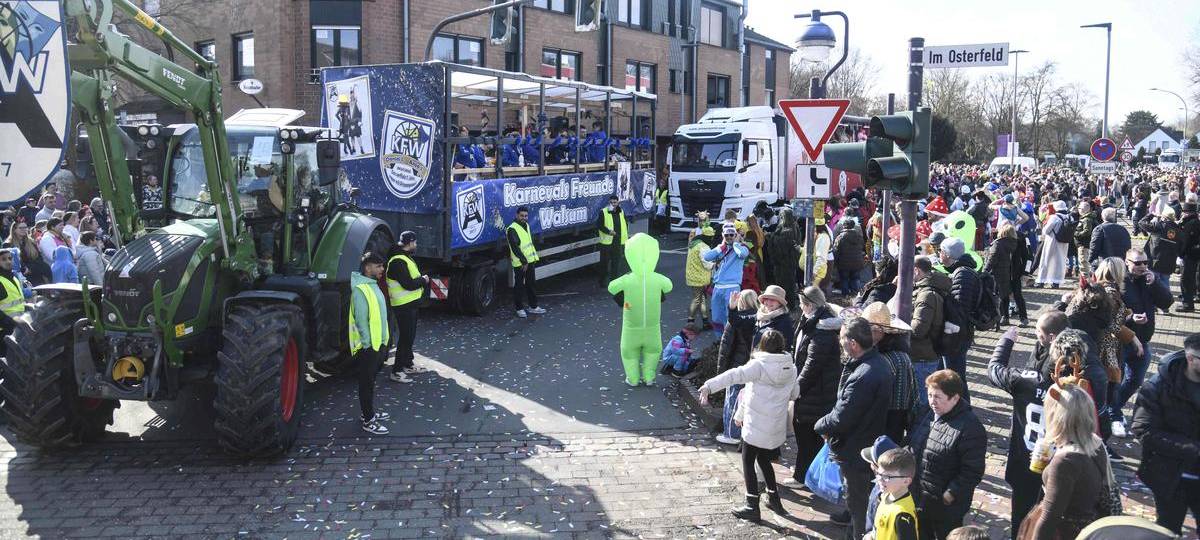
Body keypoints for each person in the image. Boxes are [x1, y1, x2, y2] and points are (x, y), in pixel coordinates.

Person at [699, 329, 799, 521]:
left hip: (755, 426)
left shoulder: (758, 365)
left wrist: (709, 385)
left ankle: (752, 505)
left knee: (747, 461)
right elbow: (794, 394)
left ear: (762, 345)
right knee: (763, 460)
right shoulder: (791, 368)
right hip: (773, 427)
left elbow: (734, 375)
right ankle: (774, 498)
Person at [988, 312, 1071, 539]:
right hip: (1058, 461)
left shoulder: (1024, 380)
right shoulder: (1075, 381)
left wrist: (1005, 342)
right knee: (1050, 517)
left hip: (1026, 457)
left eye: (1039, 334)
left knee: (1022, 518)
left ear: (1052, 338)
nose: (1037, 337)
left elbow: (994, 369)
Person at [816, 316, 895, 538]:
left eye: (841, 339)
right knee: (859, 498)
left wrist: (820, 425)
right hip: (865, 438)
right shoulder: (877, 364)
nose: (839, 343)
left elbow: (843, 416)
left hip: (855, 446)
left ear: (852, 343)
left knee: (858, 502)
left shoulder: (864, 374)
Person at [1130, 333, 1200, 536]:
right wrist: (1192, 448)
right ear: (1191, 359)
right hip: (1170, 477)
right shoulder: (1158, 386)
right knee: (1167, 530)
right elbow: (1143, 430)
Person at [906, 370, 987, 540]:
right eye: (929, 395)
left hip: (945, 507)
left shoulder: (970, 428)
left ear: (955, 398)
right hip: (920, 497)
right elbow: (914, 443)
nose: (931, 401)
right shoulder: (926, 413)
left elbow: (972, 471)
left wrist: (951, 494)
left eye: (937, 397)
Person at [1023, 383, 1110, 540]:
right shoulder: (1095, 442)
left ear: (1056, 416)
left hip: (1065, 533)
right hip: (1088, 527)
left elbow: (1049, 519)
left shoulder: (1065, 462)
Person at [1109, 248, 1173, 439]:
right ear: (1127, 262)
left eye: (1146, 262)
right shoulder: (1119, 282)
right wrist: (1131, 321)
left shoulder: (1149, 280)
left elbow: (1167, 302)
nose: (1143, 266)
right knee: (1115, 382)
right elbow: (1110, 317)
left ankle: (1115, 409)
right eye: (1138, 263)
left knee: (1135, 381)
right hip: (1121, 341)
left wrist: (1156, 284)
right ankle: (1114, 416)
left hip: (1143, 341)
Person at [790, 286, 842, 483]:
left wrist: (797, 389)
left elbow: (813, 364)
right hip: (813, 391)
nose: (801, 308)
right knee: (806, 437)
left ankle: (805, 477)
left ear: (810, 305)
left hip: (817, 393)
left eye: (802, 304)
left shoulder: (822, 329)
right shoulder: (812, 321)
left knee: (807, 436)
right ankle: (804, 475)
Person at [607, 233, 673, 387]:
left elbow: (611, 287)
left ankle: (633, 378)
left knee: (629, 354)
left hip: (631, 329)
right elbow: (669, 286)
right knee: (653, 351)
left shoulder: (627, 279)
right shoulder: (658, 279)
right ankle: (649, 377)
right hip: (652, 328)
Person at [350, 252, 392, 434]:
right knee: (366, 384)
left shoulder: (372, 286)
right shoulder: (361, 289)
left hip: (377, 344)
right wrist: (368, 345)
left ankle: (369, 413)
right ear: (368, 268)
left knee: (370, 381)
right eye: (379, 266)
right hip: (369, 347)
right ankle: (368, 420)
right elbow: (361, 320)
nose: (382, 269)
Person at [715, 290, 759, 445]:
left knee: (733, 400)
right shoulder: (761, 319)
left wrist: (721, 372)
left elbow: (725, 347)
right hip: (755, 367)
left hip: (737, 366)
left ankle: (731, 434)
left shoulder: (735, 321)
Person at [385, 231, 429, 384]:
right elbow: (408, 284)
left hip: (410, 305)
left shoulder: (404, 258)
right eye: (415, 243)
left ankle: (408, 364)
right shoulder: (398, 261)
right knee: (405, 338)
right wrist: (423, 280)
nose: (416, 246)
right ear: (410, 243)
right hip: (403, 306)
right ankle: (396, 371)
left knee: (409, 337)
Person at [939, 238, 979, 396]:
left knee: (955, 378)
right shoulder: (961, 271)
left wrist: (948, 337)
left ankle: (962, 409)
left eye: (941, 251)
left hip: (957, 335)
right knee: (949, 375)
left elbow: (959, 310)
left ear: (948, 255)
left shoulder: (962, 274)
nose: (939, 254)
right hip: (959, 333)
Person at [910, 256, 950, 407]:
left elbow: (918, 329)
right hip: (927, 353)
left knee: (923, 403)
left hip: (922, 356)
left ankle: (924, 430)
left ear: (916, 270)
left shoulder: (926, 295)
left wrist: (900, 321)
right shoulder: (929, 288)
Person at [864, 445, 920, 540]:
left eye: (887, 477)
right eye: (879, 474)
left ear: (906, 481)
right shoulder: (885, 495)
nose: (880, 480)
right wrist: (872, 536)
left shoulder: (903, 515)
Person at [703, 225, 749, 331]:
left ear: (736, 235)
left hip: (732, 288)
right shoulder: (721, 249)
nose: (729, 237)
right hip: (718, 288)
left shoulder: (742, 247)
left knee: (730, 317)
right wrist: (721, 246)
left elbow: (742, 254)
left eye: (731, 235)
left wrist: (736, 243)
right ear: (723, 235)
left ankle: (730, 341)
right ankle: (720, 341)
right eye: (726, 235)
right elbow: (707, 257)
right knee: (717, 317)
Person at [507, 207, 545, 318]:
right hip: (520, 263)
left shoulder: (526, 226)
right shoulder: (512, 229)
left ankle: (533, 307)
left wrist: (529, 260)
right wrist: (524, 261)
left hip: (529, 261)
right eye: (522, 216)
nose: (524, 218)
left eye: (526, 216)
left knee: (531, 283)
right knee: (519, 286)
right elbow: (515, 247)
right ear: (516, 215)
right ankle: (519, 308)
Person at [765, 208, 801, 308]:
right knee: (787, 283)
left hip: (785, 262)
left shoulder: (789, 229)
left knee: (786, 284)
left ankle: (787, 305)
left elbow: (782, 244)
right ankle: (786, 304)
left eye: (781, 216)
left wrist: (770, 237)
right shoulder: (792, 226)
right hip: (786, 262)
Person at [986, 223, 1021, 326]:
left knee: (995, 296)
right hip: (1007, 272)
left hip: (996, 273)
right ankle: (1005, 317)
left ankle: (997, 318)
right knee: (1004, 296)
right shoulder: (1014, 243)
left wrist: (984, 271)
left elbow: (992, 259)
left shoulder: (998, 244)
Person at [1140, 207, 1183, 287]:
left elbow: (1141, 223)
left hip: (1155, 261)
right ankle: (1166, 298)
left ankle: (1155, 298)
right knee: (1165, 282)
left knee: (1153, 283)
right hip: (1169, 263)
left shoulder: (1158, 225)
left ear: (1164, 217)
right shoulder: (1178, 230)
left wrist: (1151, 215)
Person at [684, 226, 713, 330]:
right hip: (700, 277)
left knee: (701, 299)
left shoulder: (693, 244)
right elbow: (707, 263)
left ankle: (705, 321)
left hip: (692, 275)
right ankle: (690, 320)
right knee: (698, 299)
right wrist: (714, 265)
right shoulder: (703, 247)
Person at [1036, 201, 1070, 288]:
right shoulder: (1069, 217)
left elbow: (1046, 231)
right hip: (1064, 242)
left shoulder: (1054, 217)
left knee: (1046, 260)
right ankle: (1056, 282)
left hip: (1052, 241)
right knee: (1060, 262)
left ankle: (1041, 281)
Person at [0, 249, 26, 356]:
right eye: (3, 259)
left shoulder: (14, 278)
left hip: (18, 326)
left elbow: (20, 302)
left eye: (10, 258)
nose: (8, 261)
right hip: (4, 330)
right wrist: (10, 322)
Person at [596, 195, 627, 286]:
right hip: (607, 242)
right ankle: (602, 282)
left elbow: (625, 224)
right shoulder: (603, 212)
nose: (613, 204)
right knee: (604, 263)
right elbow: (599, 225)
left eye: (615, 202)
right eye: (611, 202)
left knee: (616, 263)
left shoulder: (621, 212)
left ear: (618, 203)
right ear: (609, 203)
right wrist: (608, 231)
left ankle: (614, 282)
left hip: (618, 241)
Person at [4, 221, 47, 285]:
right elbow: (11, 261)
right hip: (21, 275)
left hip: (35, 272)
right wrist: (25, 268)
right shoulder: (8, 244)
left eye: (25, 227)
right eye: (21, 228)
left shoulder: (31, 242)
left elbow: (39, 258)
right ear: (14, 230)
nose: (24, 230)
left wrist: (31, 268)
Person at [834, 218, 867, 296]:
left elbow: (836, 250)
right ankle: (856, 295)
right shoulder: (859, 236)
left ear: (844, 226)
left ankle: (845, 296)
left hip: (843, 263)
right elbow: (862, 247)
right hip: (857, 262)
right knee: (856, 279)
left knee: (844, 279)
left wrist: (835, 262)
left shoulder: (840, 237)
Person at [753, 285, 793, 350]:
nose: (768, 302)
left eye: (772, 299)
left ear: (780, 303)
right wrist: (732, 308)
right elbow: (738, 321)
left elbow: (786, 346)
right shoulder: (759, 315)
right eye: (766, 299)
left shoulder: (784, 321)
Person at [1179, 202, 1200, 312]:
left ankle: (1187, 303)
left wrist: (1180, 254)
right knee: (1189, 279)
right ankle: (1187, 299)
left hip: (1189, 255)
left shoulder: (1190, 223)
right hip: (1194, 255)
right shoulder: (1194, 221)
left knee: (1186, 280)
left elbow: (1185, 242)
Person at [1074, 201, 1099, 279]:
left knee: (1083, 264)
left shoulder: (1086, 219)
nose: (1078, 210)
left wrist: (1075, 233)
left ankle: (1086, 283)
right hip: (1086, 244)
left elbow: (1087, 231)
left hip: (1083, 244)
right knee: (1085, 263)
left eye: (1079, 208)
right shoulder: (1090, 218)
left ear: (1083, 209)